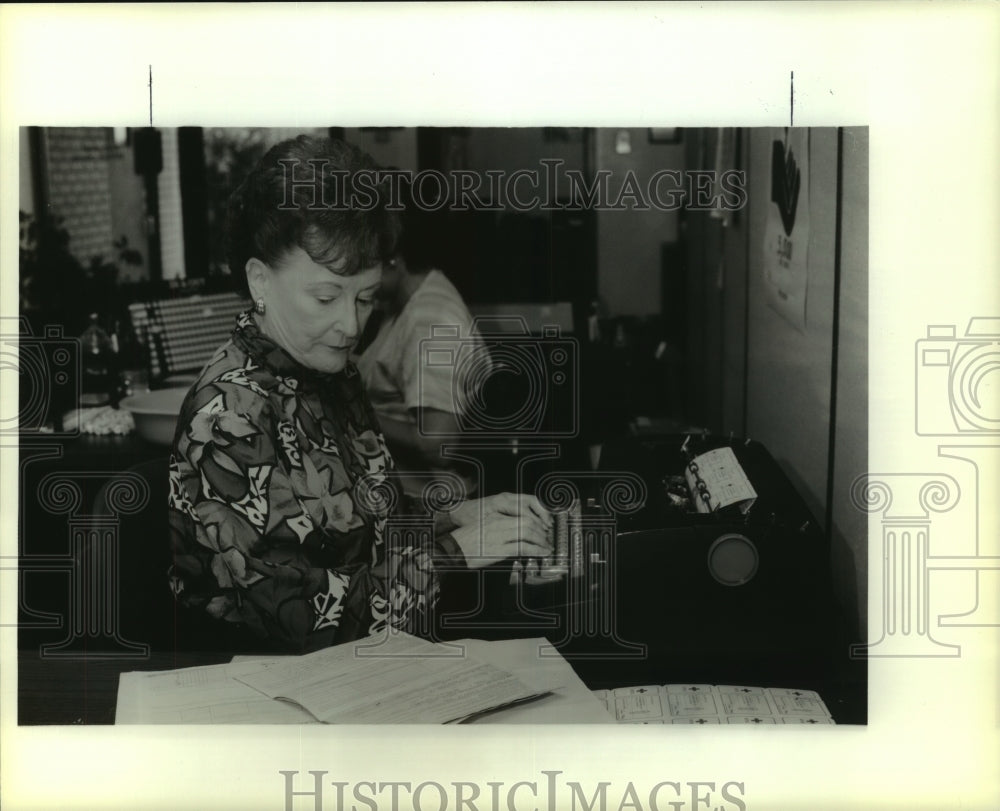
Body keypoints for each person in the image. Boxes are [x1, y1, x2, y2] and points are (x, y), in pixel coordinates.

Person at [167, 136, 551, 654]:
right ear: (259, 281)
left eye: (366, 298)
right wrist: (454, 552)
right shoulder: (227, 418)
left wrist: (456, 516)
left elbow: (366, 520)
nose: (349, 325)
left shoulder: (326, 375)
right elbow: (313, 624)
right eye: (326, 297)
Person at [354, 197, 485, 497]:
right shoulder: (407, 302)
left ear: (392, 259)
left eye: (362, 263)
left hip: (427, 504)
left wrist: (353, 409)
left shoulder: (431, 320)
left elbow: (439, 443)